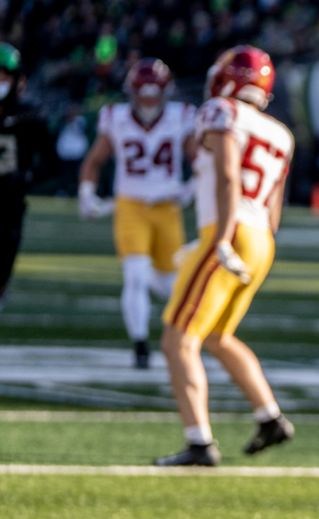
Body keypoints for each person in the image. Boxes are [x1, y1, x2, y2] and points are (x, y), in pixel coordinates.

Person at [153, 46, 295, 467]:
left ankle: (199, 443)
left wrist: (220, 238)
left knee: (178, 338)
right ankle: (269, 416)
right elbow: (273, 208)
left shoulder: (221, 111)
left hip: (229, 231)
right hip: (261, 241)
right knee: (217, 336)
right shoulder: (280, 133)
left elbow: (229, 173)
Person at [78, 58, 196, 369]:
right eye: (142, 94)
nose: (147, 101)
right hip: (130, 205)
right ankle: (141, 345)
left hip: (167, 207)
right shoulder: (115, 118)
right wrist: (87, 194)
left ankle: (179, 338)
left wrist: (193, 186)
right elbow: (94, 160)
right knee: (134, 277)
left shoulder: (180, 117)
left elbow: (200, 159)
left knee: (171, 285)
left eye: (153, 94)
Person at [0, 43, 54, 311]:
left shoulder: (29, 116)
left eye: (3, 76)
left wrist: (26, 177)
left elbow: (50, 163)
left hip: (9, 204)